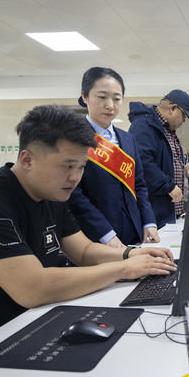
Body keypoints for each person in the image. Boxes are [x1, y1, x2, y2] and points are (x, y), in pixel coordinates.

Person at [0, 105, 176, 353]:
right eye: (67, 166)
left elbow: (83, 251)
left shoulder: (52, 195)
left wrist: (130, 254)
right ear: (27, 159)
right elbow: (32, 287)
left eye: (81, 167)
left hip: (23, 322)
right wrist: (124, 269)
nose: (75, 177)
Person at [68, 67, 159, 248]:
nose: (110, 105)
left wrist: (149, 222)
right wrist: (105, 234)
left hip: (134, 234)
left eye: (117, 99)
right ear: (85, 97)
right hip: (95, 238)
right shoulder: (71, 138)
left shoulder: (128, 139)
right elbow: (73, 193)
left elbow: (139, 184)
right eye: (102, 97)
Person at [128, 90, 189, 228]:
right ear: (172, 108)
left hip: (169, 213)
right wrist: (168, 186)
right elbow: (143, 163)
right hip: (154, 213)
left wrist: (184, 165)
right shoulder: (143, 125)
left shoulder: (168, 130)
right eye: (183, 116)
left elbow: (166, 160)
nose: (183, 121)